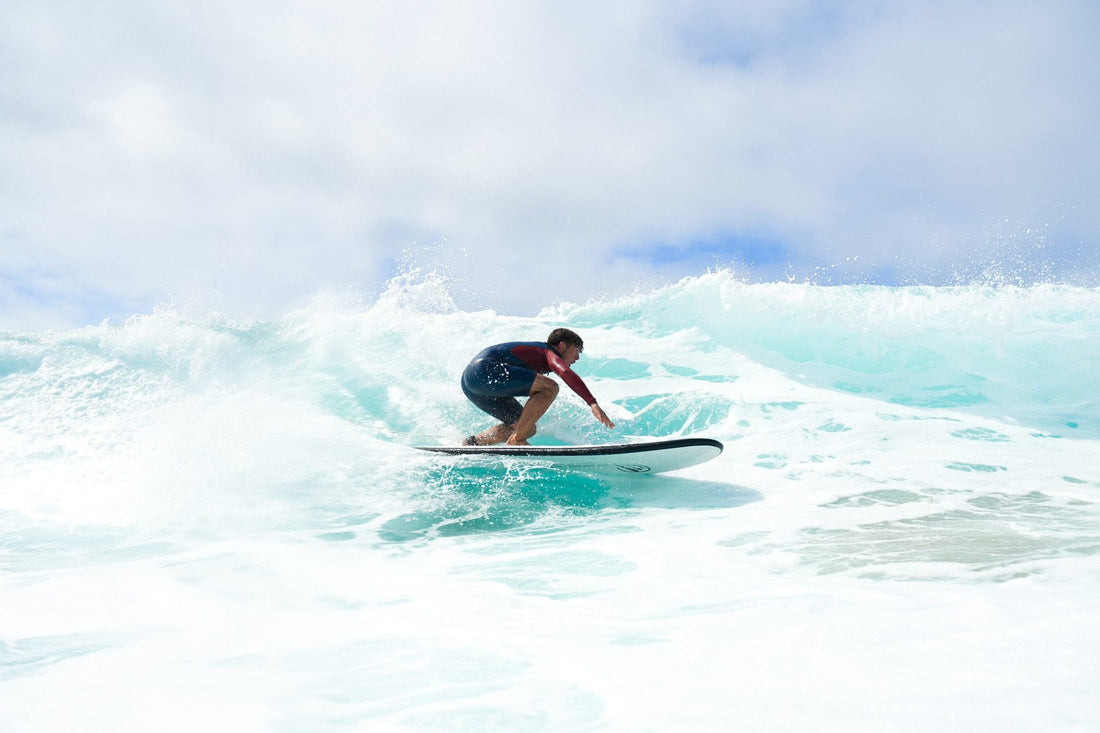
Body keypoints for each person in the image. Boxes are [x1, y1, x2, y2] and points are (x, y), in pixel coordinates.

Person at [460, 328, 615, 446]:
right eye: (576, 350)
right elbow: (565, 372)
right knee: (550, 388)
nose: (577, 357)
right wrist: (592, 402)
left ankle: (473, 442)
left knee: (527, 427)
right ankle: (516, 441)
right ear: (561, 346)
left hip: (470, 383)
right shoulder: (549, 352)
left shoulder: (541, 354)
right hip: (485, 369)